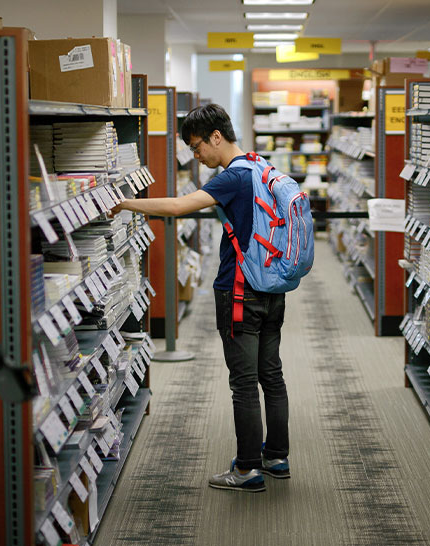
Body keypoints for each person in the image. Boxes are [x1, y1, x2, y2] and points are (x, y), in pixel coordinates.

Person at [109, 103, 290, 493]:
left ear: (216, 138)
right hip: (274, 288)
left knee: (243, 384)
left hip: (240, 292)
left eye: (196, 147)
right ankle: (276, 456)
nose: (195, 155)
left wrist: (123, 202)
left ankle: (247, 470)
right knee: (271, 376)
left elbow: (176, 207)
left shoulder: (232, 177)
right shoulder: (262, 167)